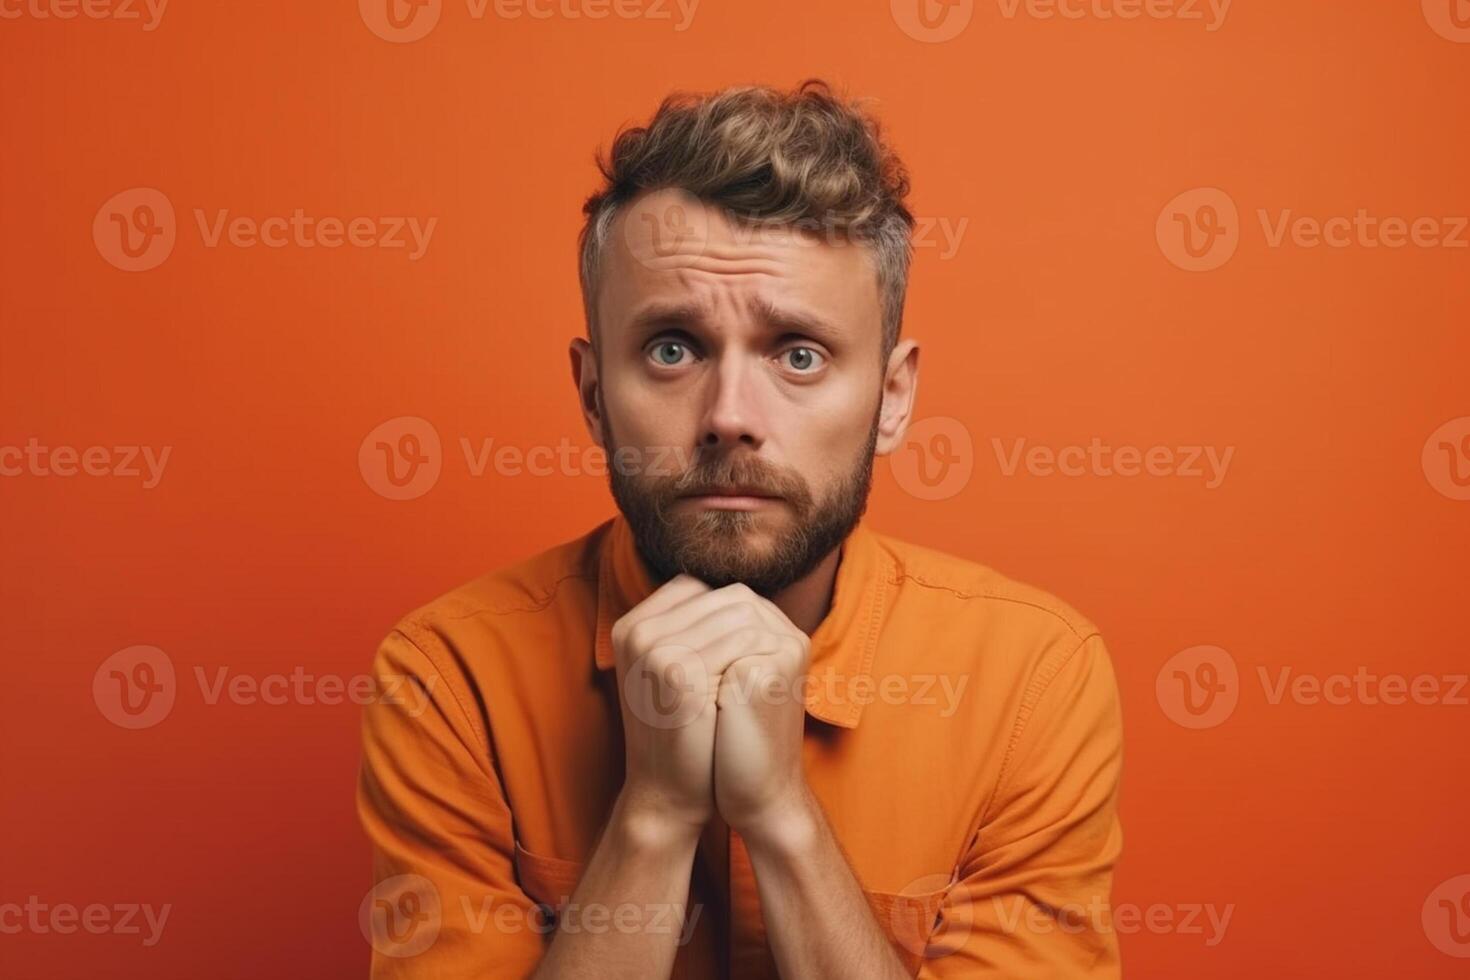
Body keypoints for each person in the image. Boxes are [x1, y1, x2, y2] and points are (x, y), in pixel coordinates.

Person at [357, 79, 1123, 979]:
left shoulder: (1033, 677)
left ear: (894, 397)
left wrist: (782, 816)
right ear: (595, 394)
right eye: (672, 348)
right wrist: (653, 812)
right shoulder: (448, 678)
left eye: (799, 354)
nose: (729, 416)